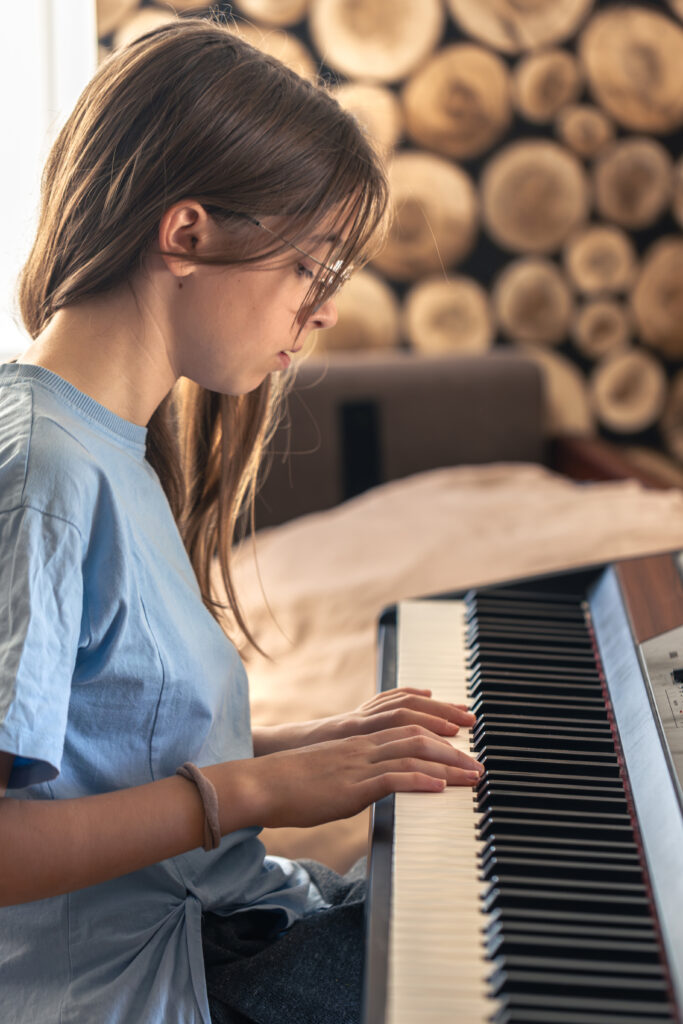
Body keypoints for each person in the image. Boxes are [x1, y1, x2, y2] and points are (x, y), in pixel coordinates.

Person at [0, 16, 483, 1024]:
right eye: (312, 267)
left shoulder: (101, 443)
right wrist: (257, 794)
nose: (323, 312)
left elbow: (103, 742)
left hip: (235, 927)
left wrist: (306, 747)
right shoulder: (41, 470)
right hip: (172, 985)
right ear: (186, 234)